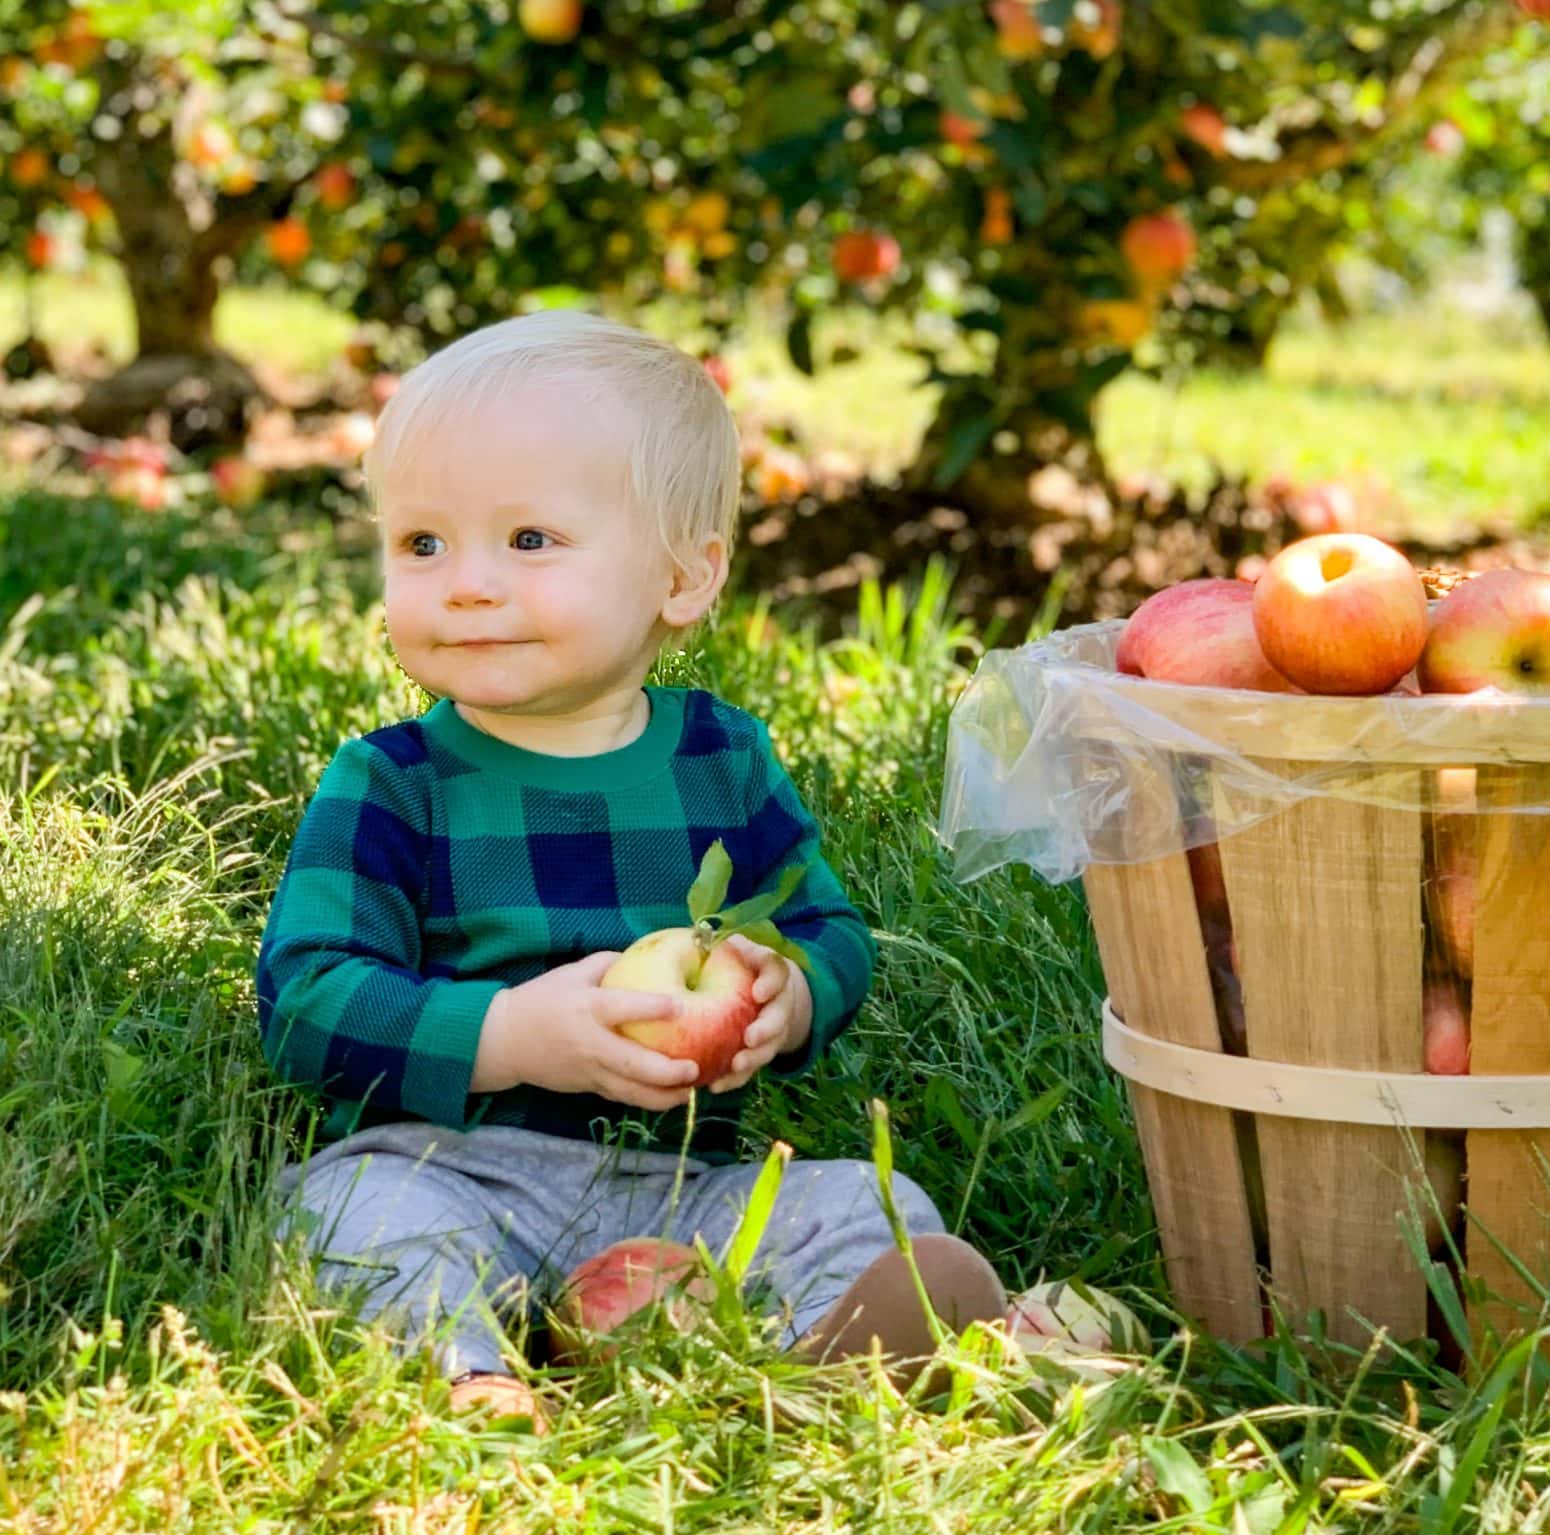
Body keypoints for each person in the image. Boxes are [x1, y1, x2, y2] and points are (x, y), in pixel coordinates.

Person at [258, 310, 1093, 1432]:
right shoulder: (392, 781)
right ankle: (465, 1380)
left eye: (529, 541)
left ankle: (817, 1356)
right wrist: (508, 1030)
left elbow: (830, 929)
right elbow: (306, 999)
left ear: (683, 578)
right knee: (343, 1205)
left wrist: (789, 995)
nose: (463, 585)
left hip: (691, 1186)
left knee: (870, 1196)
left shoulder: (721, 758)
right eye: (421, 545)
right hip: (456, 1164)